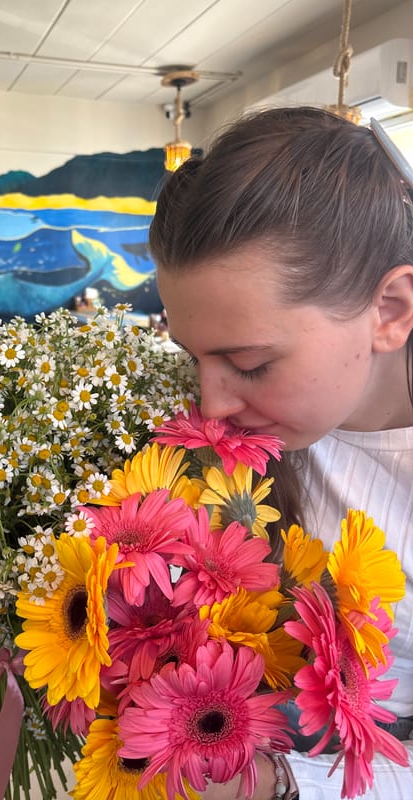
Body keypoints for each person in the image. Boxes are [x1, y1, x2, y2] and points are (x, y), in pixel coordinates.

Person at [149, 106, 413, 799]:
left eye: (251, 363)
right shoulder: (230, 442)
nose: (210, 407)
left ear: (389, 310)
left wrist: (276, 783)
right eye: (192, 357)